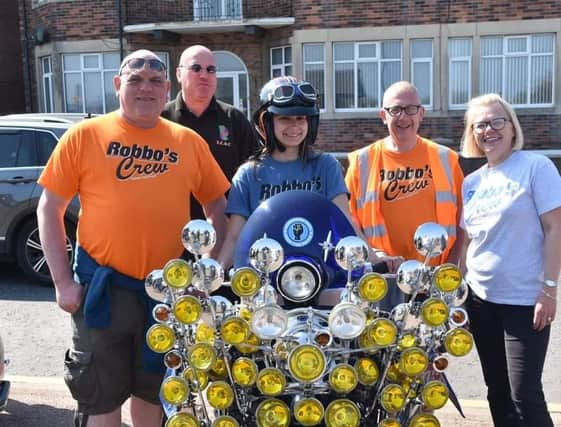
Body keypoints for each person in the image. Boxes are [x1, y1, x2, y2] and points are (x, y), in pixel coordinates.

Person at [36, 49, 230, 427]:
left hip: (165, 297)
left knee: (153, 397)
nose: (146, 87)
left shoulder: (187, 141)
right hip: (101, 291)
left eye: (155, 80)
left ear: (167, 88)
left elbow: (218, 208)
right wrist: (62, 283)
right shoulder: (84, 136)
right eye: (135, 79)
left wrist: (207, 276)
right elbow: (49, 208)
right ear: (117, 85)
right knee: (100, 400)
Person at [459, 93, 561, 427]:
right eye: (480, 125)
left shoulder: (536, 167)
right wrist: (458, 298)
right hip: (480, 301)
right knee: (497, 392)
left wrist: (548, 290)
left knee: (525, 394)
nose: (489, 129)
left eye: (496, 121)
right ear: (473, 134)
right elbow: (468, 244)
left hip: (523, 302)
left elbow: (554, 227)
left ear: (512, 126)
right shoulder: (471, 183)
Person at [217, 76, 382, 270]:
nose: (294, 126)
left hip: (322, 269)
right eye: (284, 118)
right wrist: (214, 273)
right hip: (266, 275)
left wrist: (375, 259)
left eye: (301, 118)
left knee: (341, 297)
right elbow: (235, 237)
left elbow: (345, 221)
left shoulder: (326, 165)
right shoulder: (248, 175)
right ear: (266, 123)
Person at [345, 81, 464, 307]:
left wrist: (452, 267)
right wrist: (375, 259)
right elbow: (350, 222)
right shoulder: (362, 161)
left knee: (434, 342)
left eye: (411, 109)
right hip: (383, 278)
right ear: (383, 115)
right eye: (395, 110)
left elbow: (462, 222)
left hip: (435, 276)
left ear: (421, 114)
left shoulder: (445, 158)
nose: (403, 117)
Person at [162, 44, 258, 221]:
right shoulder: (161, 118)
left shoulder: (234, 119)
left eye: (211, 70)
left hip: (224, 227)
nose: (204, 75)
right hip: (171, 227)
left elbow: (255, 172)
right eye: (196, 68)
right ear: (178, 74)